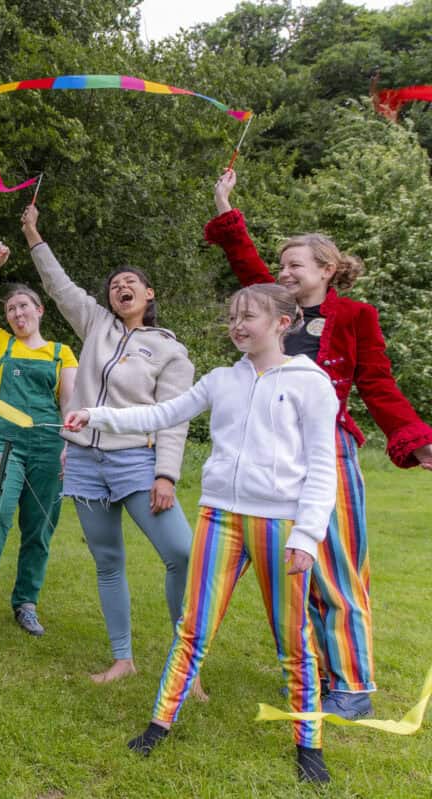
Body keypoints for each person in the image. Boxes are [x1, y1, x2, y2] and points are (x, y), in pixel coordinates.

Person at [64, 283, 338, 784]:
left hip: (280, 526)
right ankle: (159, 724)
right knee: (192, 628)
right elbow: (160, 414)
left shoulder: (312, 383)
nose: (237, 325)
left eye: (248, 316)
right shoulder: (221, 380)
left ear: (283, 322)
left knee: (293, 639)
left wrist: (307, 535)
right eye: (232, 316)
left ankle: (309, 745)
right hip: (219, 519)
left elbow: (323, 465)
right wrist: (96, 415)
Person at [209, 170, 432, 719]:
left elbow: (377, 384)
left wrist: (415, 441)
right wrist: (223, 202)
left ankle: (352, 687)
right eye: (281, 266)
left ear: (327, 269)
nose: (284, 273)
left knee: (337, 566)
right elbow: (245, 262)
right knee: (295, 566)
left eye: (295, 266)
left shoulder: (356, 317)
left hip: (328, 449)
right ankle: (316, 673)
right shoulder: (274, 308)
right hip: (270, 452)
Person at [20, 203, 196, 685]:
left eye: (130, 282)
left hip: (135, 461)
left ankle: (187, 662)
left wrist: (165, 474)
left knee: (181, 553)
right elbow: (58, 286)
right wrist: (34, 234)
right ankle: (123, 659)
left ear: (148, 293)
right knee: (108, 563)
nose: (121, 287)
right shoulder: (96, 324)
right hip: (83, 461)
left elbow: (173, 419)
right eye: (115, 285)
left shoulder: (169, 349)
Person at [0, 241, 77, 643]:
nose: (17, 313)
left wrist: (70, 444)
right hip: (5, 442)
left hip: (48, 445)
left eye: (23, 306)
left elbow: (70, 403)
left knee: (40, 527)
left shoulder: (62, 353)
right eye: (11, 309)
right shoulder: (0, 345)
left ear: (40, 310)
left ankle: (26, 602)